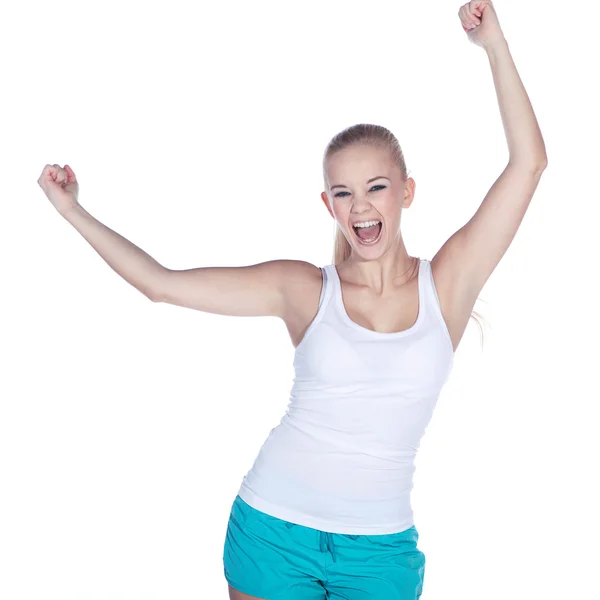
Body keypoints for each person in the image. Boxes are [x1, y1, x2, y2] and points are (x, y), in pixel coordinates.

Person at [37, 2, 547, 598]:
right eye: (343, 192)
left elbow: (529, 164)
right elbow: (161, 283)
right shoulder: (304, 289)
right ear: (327, 204)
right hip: (272, 533)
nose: (361, 206)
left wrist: (494, 47)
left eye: (376, 187)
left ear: (406, 192)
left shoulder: (449, 286)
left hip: (381, 550)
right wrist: (73, 212)